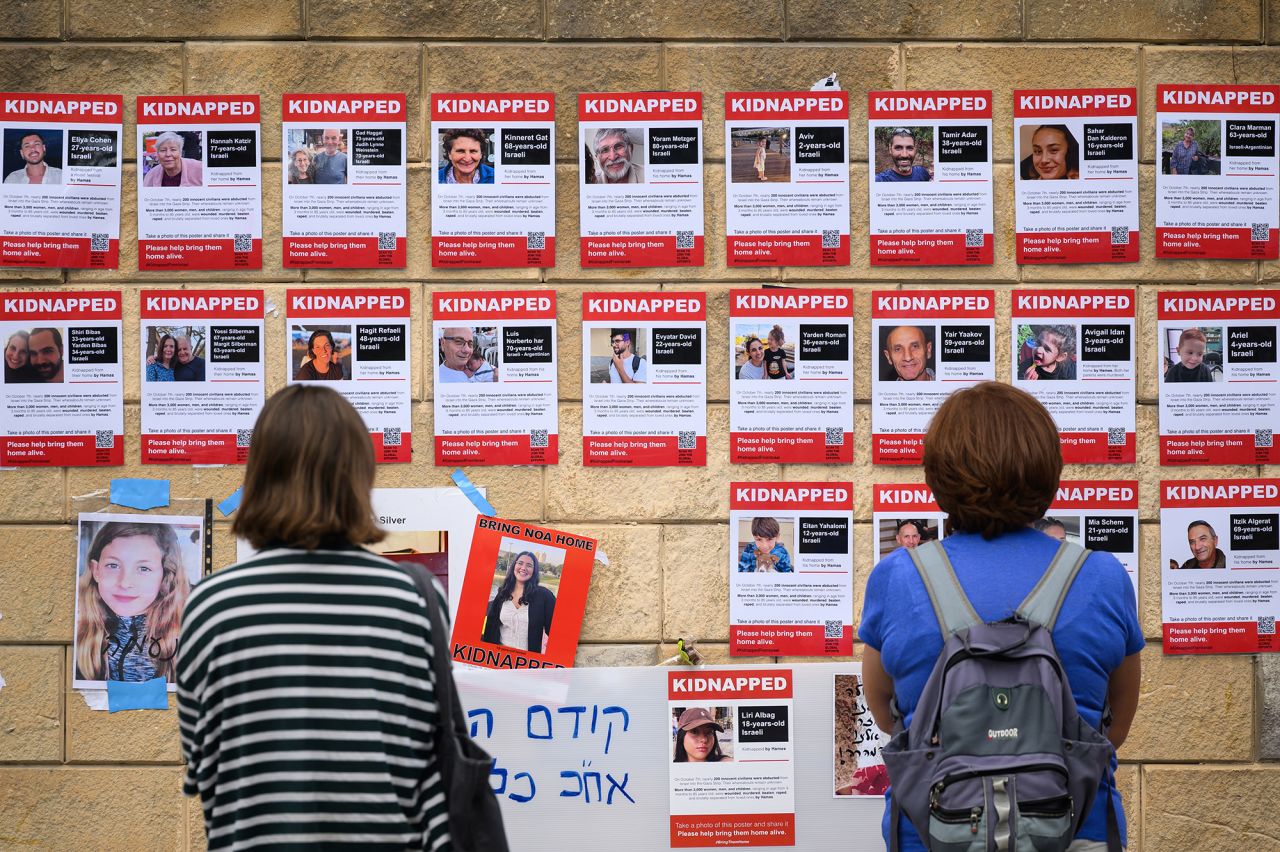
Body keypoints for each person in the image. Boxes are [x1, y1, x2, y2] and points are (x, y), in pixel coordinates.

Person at [859, 381, 1142, 852]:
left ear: (937, 474)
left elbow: (889, 716)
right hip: (1075, 830)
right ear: (1047, 469)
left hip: (933, 831)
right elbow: (1114, 730)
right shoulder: (1102, 577)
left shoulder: (899, 579)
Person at [176, 385, 451, 849]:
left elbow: (201, 767)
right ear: (359, 474)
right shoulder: (415, 598)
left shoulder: (209, 605)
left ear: (260, 475)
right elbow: (432, 761)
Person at [74, 521, 190, 683]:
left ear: (165, 576)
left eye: (143, 568)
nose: (125, 583)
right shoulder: (76, 628)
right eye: (113, 565)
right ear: (96, 570)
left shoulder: (189, 633)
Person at [481, 550, 555, 653]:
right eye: (520, 563)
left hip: (528, 662)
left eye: (529, 565)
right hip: (499, 656)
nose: (523, 568)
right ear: (514, 566)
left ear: (534, 571)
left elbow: (557, 632)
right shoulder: (502, 593)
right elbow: (490, 626)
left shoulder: (544, 596)